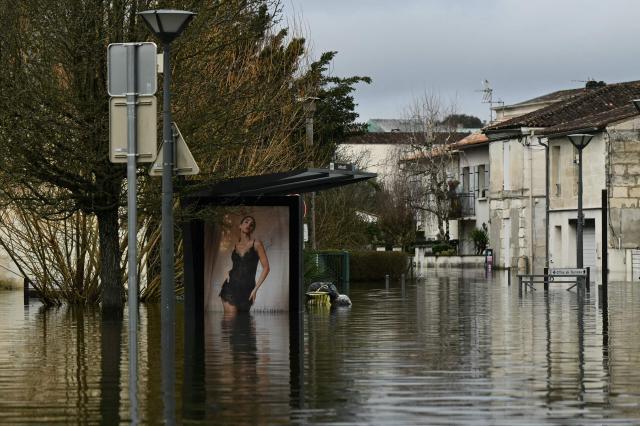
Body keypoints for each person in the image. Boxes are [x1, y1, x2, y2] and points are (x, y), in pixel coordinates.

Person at [219, 215, 270, 313]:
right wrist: (227, 272)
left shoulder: (257, 244)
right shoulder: (235, 246)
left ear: (252, 229)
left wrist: (255, 289)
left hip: (247, 289)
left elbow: (266, 268)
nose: (249, 225)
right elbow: (238, 266)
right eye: (246, 222)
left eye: (251, 225)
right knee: (230, 320)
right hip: (230, 287)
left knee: (242, 323)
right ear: (240, 226)